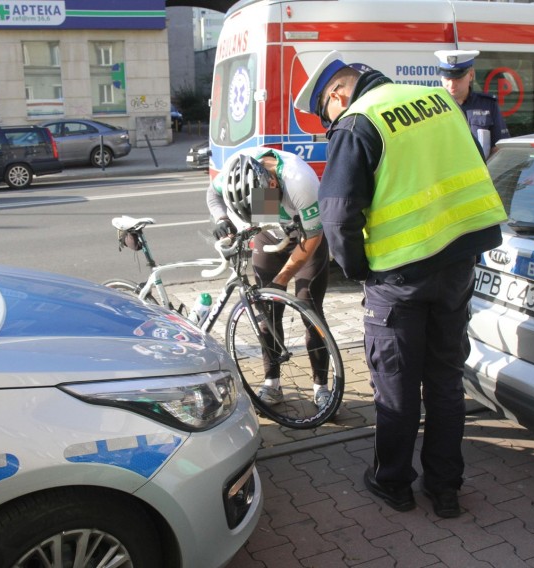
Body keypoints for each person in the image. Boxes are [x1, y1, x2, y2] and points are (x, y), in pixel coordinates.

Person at [294, 51, 507, 518]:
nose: (332, 120)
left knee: (396, 390)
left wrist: (359, 272)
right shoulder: (439, 101)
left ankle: (393, 484)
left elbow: (337, 216)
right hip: (456, 267)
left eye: (326, 113)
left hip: (398, 280)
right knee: (447, 383)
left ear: (336, 94)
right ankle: (446, 488)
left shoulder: (358, 122)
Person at [206, 147, 332, 409]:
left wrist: (283, 278)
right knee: (267, 315)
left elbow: (312, 238)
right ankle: (272, 383)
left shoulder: (300, 181)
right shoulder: (236, 168)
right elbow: (213, 193)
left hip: (307, 237)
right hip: (269, 232)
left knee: (309, 310)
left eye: (264, 198)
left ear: (272, 182)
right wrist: (221, 219)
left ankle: (322, 387)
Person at [434, 49, 509, 158]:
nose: (451, 84)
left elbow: (499, 148)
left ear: (471, 75)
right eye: (447, 78)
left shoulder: (487, 105)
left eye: (458, 78)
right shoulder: (432, 106)